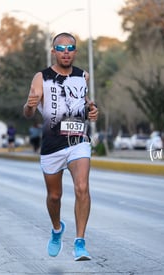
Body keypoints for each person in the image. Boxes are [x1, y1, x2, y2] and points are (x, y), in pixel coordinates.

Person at [23, 32, 99, 261]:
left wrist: (92, 110)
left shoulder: (82, 76)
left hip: (78, 141)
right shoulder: (41, 77)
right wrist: (29, 105)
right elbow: (28, 112)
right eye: (61, 48)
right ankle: (57, 229)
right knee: (54, 196)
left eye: (70, 48)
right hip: (52, 146)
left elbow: (84, 105)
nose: (66, 52)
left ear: (75, 51)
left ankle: (80, 243)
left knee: (82, 187)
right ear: (53, 51)